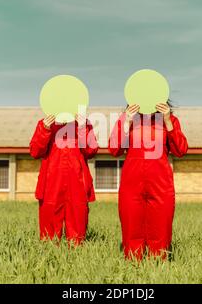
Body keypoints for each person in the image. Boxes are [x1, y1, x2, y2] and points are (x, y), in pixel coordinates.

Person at [109, 102, 188, 260]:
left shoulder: (170, 120)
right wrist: (127, 123)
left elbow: (181, 150)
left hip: (160, 183)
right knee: (131, 227)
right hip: (132, 183)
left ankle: (158, 266)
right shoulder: (127, 119)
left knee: (160, 227)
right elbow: (114, 149)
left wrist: (167, 121)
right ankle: (133, 266)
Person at [30, 113, 98, 245]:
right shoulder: (44, 123)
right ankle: (49, 259)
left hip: (77, 182)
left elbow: (91, 151)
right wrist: (45, 128)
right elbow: (35, 151)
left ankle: (76, 259)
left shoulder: (83, 123)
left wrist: (83, 127)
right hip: (51, 183)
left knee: (77, 234)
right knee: (49, 235)